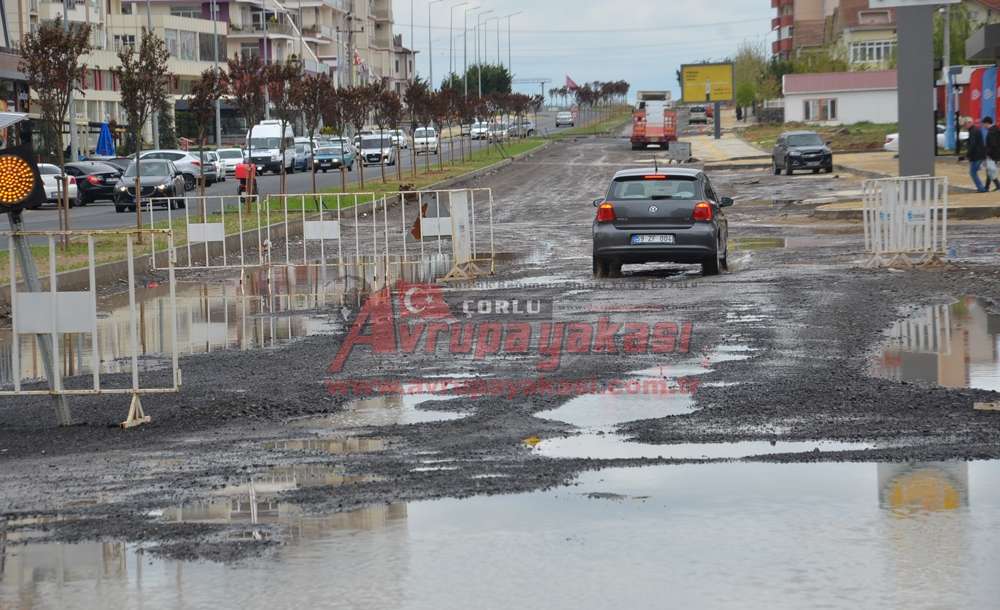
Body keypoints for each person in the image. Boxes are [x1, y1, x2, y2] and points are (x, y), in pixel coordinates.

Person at [966, 117, 989, 193]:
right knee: (974, 171)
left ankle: (981, 188)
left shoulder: (973, 131)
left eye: (965, 124)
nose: (965, 126)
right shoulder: (974, 130)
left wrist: (967, 154)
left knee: (973, 172)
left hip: (977, 155)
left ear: (969, 123)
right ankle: (983, 188)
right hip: (978, 155)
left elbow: (973, 144)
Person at [988, 117, 1000, 191]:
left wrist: (989, 154)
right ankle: (988, 186)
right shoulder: (996, 130)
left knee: (990, 170)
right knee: (990, 170)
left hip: (994, 154)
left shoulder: (992, 131)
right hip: (996, 153)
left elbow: (993, 144)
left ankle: (997, 185)